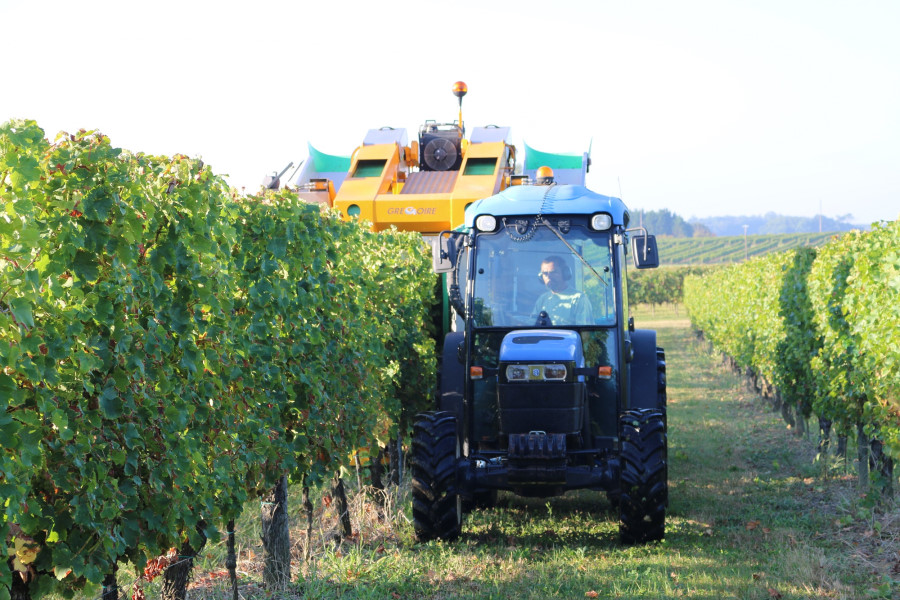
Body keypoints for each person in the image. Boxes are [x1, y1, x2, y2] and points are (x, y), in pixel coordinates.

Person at [531, 255, 593, 325]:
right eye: (545, 273)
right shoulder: (542, 299)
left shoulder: (579, 299)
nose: (549, 277)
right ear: (541, 277)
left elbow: (584, 331)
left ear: (565, 274)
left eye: (553, 272)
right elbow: (533, 323)